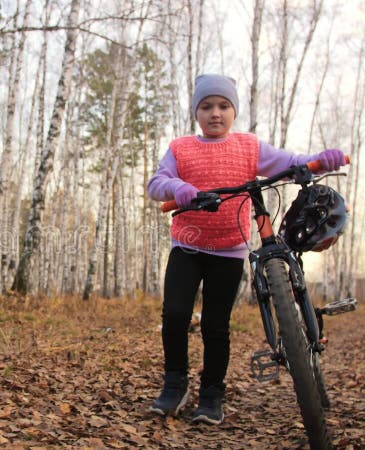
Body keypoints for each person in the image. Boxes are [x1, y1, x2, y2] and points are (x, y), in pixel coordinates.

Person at [146, 74, 346, 424]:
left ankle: (211, 393)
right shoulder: (181, 147)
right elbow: (156, 183)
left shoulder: (250, 147)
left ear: (233, 111)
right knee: (175, 315)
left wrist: (320, 160)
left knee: (215, 324)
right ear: (196, 112)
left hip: (228, 250)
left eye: (223, 106)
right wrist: (178, 188)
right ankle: (175, 383)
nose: (215, 113)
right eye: (206, 106)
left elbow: (291, 162)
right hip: (187, 246)